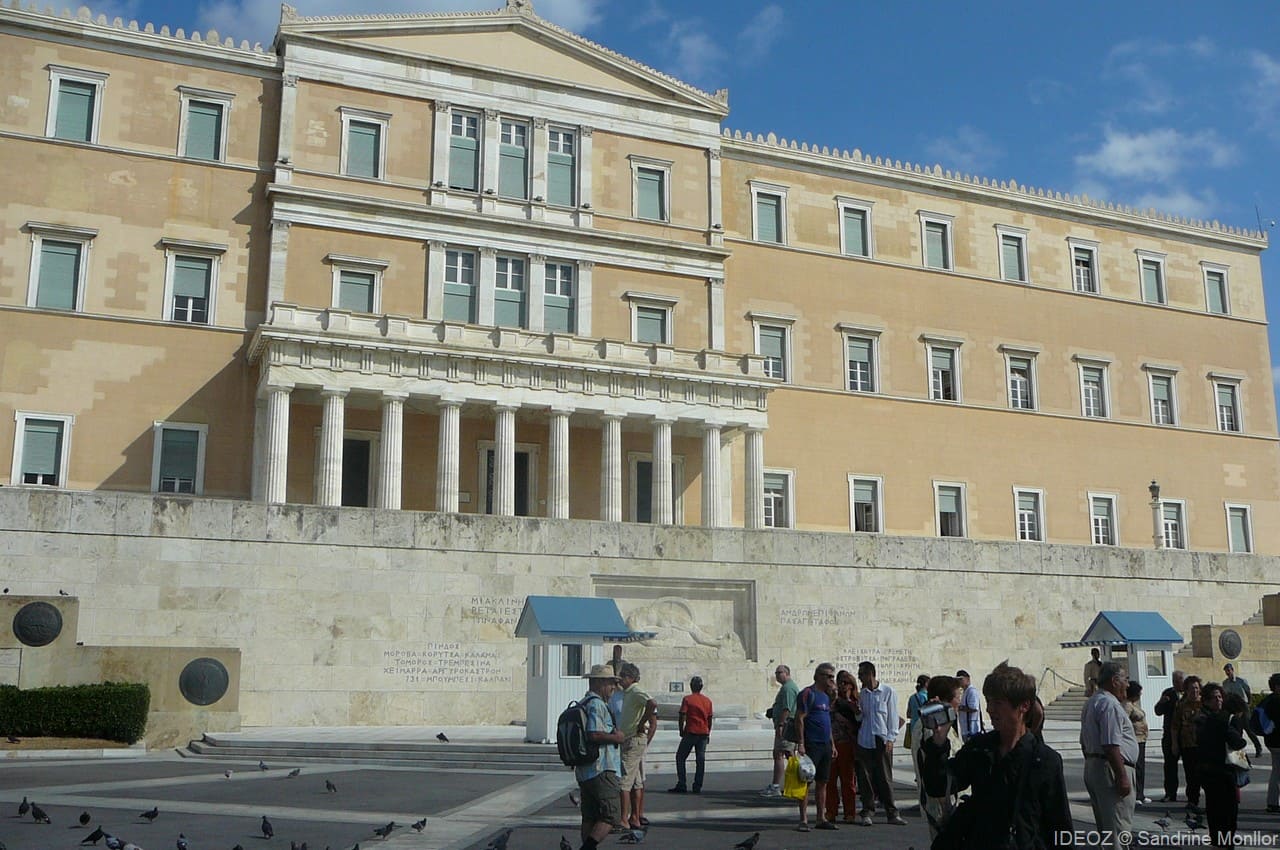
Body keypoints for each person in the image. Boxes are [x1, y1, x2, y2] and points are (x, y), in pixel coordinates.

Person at [920, 662, 1072, 849]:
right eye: (989, 701)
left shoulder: (1045, 761)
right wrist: (938, 742)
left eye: (998, 703)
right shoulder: (979, 749)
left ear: (1023, 706)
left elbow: (1060, 827)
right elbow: (937, 785)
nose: (990, 709)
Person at [1080, 661, 1138, 850]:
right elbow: (1111, 744)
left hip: (1095, 766)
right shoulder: (1109, 705)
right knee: (1118, 831)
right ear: (1114, 681)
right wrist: (1121, 776)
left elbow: (1084, 741)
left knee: (1106, 831)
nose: (1128, 685)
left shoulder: (1092, 702)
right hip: (1111, 769)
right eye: (1125, 680)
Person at [575, 663, 625, 850]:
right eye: (611, 683)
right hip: (601, 768)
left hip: (585, 770)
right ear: (599, 683)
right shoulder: (597, 704)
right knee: (611, 815)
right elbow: (594, 734)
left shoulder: (583, 703)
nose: (613, 687)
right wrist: (617, 737)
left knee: (590, 816)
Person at [855, 660, 905, 826]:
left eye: (861, 674)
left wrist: (891, 737)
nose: (859, 677)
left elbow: (892, 716)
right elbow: (862, 717)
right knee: (865, 777)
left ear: (870, 674)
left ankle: (892, 812)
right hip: (865, 738)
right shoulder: (863, 694)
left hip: (881, 738)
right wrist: (857, 713)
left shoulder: (888, 691)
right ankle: (867, 811)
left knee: (884, 776)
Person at [1196, 684, 1247, 847]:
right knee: (1228, 811)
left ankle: (1217, 840)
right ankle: (1226, 841)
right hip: (1223, 770)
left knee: (1213, 809)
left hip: (1207, 769)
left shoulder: (1200, 718)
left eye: (1220, 697)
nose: (1218, 700)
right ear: (1206, 701)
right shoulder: (1224, 719)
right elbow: (1237, 742)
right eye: (1214, 697)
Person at [914, 674, 963, 841]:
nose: (960, 702)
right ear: (945, 700)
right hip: (941, 805)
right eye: (958, 697)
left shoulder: (940, 722)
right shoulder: (932, 727)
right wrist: (946, 808)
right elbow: (935, 766)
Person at [795, 663, 837, 832]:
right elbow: (799, 719)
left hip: (825, 744)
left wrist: (832, 744)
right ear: (818, 676)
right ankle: (803, 819)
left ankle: (821, 817)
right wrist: (801, 743)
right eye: (828, 676)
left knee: (823, 782)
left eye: (832, 676)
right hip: (811, 743)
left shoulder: (826, 696)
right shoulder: (808, 693)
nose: (831, 680)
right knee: (806, 782)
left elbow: (827, 722)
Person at [617, 662, 657, 832]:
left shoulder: (635, 690)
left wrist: (641, 723)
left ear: (631, 678)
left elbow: (652, 703)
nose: (621, 680)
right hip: (633, 738)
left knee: (624, 781)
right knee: (636, 782)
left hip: (633, 739)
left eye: (623, 677)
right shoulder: (628, 692)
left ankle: (624, 819)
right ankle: (634, 817)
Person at [825, 669, 859, 824]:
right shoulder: (831, 701)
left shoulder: (854, 703)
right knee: (830, 781)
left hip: (846, 744)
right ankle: (831, 811)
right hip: (831, 744)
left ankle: (850, 812)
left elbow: (858, 722)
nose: (843, 686)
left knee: (848, 781)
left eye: (846, 683)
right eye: (841, 683)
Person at [760, 664, 800, 797]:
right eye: (776, 673)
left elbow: (787, 708)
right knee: (789, 755)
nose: (777, 675)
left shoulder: (788, 688)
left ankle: (776, 786)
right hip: (788, 725)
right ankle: (795, 784)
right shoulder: (787, 687)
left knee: (779, 754)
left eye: (779, 672)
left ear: (787, 673)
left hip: (786, 726)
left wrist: (781, 724)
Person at [669, 676, 713, 794]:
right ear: (701, 687)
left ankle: (682, 783)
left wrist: (681, 730)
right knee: (700, 759)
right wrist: (708, 732)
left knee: (680, 757)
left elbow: (682, 715)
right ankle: (697, 785)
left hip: (691, 732)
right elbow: (709, 719)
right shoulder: (707, 701)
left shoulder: (688, 699)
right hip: (703, 733)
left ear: (691, 686)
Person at [1171, 675, 1204, 814]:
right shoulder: (1181, 705)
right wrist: (1174, 744)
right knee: (1191, 775)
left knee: (1205, 774)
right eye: (1191, 689)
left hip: (1203, 745)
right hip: (1187, 744)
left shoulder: (1204, 704)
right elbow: (1174, 726)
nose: (1194, 691)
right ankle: (1192, 801)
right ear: (1186, 690)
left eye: (1196, 688)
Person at [1154, 669, 1186, 802]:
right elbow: (1158, 711)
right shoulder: (1168, 693)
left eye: (1179, 681)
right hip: (1169, 734)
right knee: (1170, 766)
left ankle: (1192, 795)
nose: (1176, 684)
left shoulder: (1189, 694)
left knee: (1190, 766)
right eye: (1174, 681)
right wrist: (1161, 702)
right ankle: (1170, 793)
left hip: (1186, 735)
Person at [1222, 663, 1262, 757]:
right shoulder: (1225, 683)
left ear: (1232, 670)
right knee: (1236, 729)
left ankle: (1258, 747)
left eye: (1229, 670)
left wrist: (1249, 703)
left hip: (1242, 706)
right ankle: (1239, 750)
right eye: (1226, 671)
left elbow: (1248, 692)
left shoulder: (1241, 681)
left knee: (1248, 728)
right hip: (1233, 707)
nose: (1228, 673)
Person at [1124, 681, 1151, 805]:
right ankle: (1136, 794)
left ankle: (1141, 793)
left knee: (1141, 767)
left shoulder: (1135, 705)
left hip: (1142, 739)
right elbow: (1125, 721)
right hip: (1135, 739)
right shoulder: (1127, 706)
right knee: (1136, 768)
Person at [1258, 672, 1280, 814]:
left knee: (1276, 771)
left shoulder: (1268, 700)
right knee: (1277, 773)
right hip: (1278, 742)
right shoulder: (1277, 701)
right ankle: (1272, 803)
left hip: (1271, 741)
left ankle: (1272, 802)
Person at [957, 670, 984, 742]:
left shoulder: (971, 691)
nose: (959, 682)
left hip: (972, 729)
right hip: (966, 729)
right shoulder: (965, 692)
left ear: (967, 679)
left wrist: (959, 707)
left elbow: (974, 708)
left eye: (961, 679)